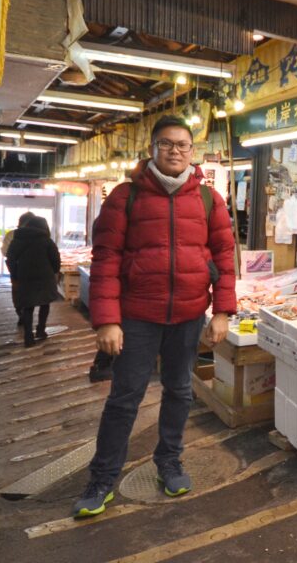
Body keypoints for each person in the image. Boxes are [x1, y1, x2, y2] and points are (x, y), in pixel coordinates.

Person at [73, 116, 236, 518]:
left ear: (192, 152)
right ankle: (103, 478)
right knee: (125, 398)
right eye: (166, 144)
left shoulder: (209, 201)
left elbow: (225, 257)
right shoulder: (125, 196)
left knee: (180, 391)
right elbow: (106, 259)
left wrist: (223, 311)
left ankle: (169, 461)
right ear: (152, 149)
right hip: (137, 318)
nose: (175, 150)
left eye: (182, 144)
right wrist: (107, 320)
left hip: (188, 314)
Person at [5, 215, 61, 348]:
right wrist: (53, 271)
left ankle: (28, 336)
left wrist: (15, 274)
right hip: (45, 278)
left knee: (28, 307)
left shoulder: (17, 239)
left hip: (25, 277)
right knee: (44, 304)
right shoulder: (47, 241)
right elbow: (56, 261)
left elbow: (10, 258)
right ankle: (41, 330)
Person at [3, 211, 38, 328]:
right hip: (32, 269)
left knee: (17, 292)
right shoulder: (38, 235)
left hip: (15, 269)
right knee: (29, 294)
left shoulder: (11, 235)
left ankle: (21, 313)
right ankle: (25, 316)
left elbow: (5, 252)